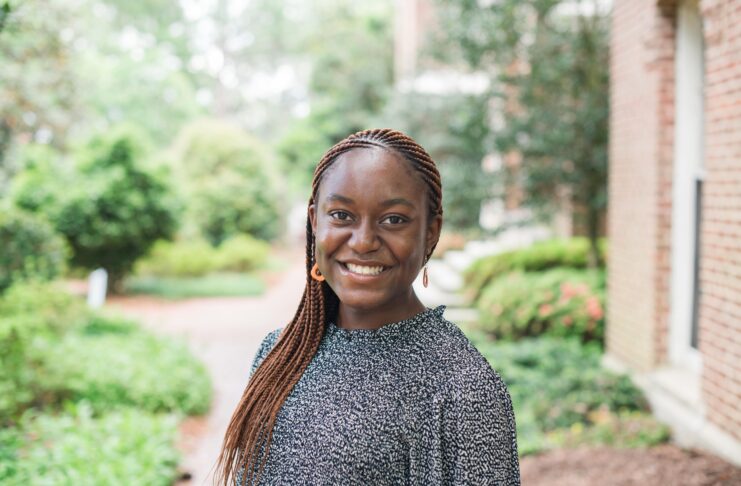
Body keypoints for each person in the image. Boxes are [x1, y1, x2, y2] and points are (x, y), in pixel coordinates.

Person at [216, 128, 520, 485]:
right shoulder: (279, 354)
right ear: (315, 222)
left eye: (393, 220)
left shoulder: (461, 387)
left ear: (431, 233)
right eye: (342, 215)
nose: (363, 242)